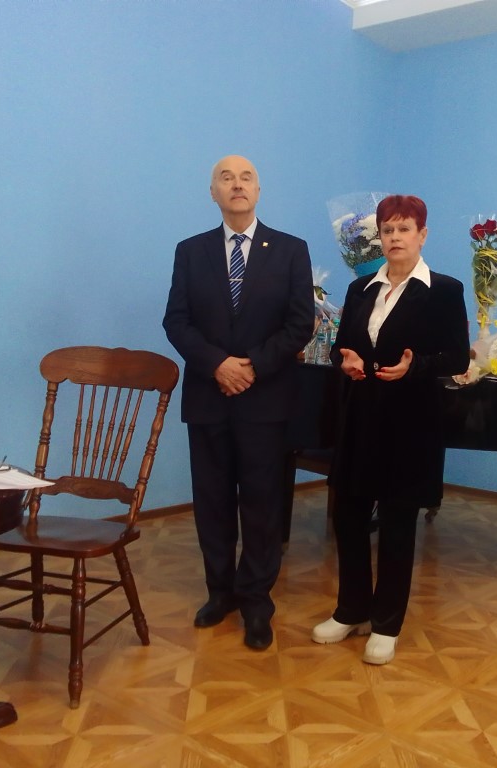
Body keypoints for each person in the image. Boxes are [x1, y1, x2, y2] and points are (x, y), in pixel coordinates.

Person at [163, 155, 314, 650]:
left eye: (246, 177)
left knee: (262, 504)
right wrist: (218, 365)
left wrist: (250, 366)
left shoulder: (290, 250)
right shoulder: (191, 251)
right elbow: (176, 321)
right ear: (213, 192)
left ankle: (256, 601)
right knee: (212, 502)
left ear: (258, 190)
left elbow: (300, 323)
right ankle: (220, 592)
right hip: (208, 397)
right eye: (225, 178)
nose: (237, 184)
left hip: (264, 399)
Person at [311, 194, 470, 665]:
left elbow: (456, 356)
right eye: (388, 230)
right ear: (378, 237)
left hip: (411, 423)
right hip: (360, 417)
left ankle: (386, 624)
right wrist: (346, 359)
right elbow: (342, 344)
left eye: (404, 229)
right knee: (349, 517)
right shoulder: (361, 288)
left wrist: (413, 366)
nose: (395, 238)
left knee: (398, 524)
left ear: (422, 235)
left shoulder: (444, 290)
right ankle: (351, 610)